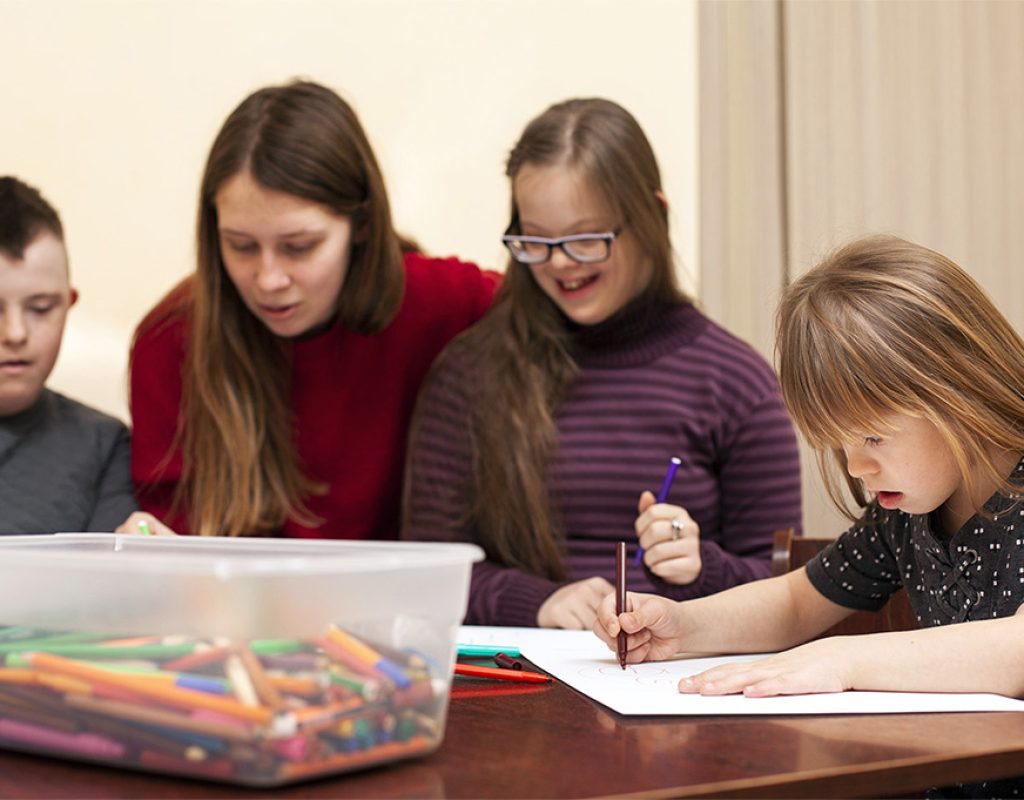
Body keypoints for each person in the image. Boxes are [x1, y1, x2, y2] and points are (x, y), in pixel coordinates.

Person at [403, 97, 802, 629]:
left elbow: (786, 598)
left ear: (652, 218)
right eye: (536, 242)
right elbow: (427, 575)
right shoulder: (470, 374)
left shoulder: (735, 383)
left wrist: (703, 569)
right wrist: (538, 602)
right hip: (517, 681)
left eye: (586, 239)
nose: (561, 264)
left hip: (672, 684)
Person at [596, 233, 1024, 697]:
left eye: (872, 437)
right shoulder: (904, 513)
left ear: (957, 392)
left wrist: (842, 659)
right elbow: (797, 601)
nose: (857, 467)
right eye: (839, 446)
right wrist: (683, 626)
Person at [129, 80, 497, 538]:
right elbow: (173, 534)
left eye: (299, 247)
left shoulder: (438, 299)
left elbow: (562, 318)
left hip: (403, 603)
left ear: (361, 224)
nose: (269, 280)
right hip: (240, 607)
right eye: (240, 246)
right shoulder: (169, 338)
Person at [0, 176, 141, 533]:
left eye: (42, 308)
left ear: (68, 304)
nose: (15, 333)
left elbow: (109, 579)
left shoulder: (103, 445)